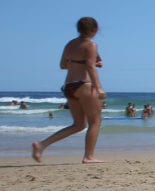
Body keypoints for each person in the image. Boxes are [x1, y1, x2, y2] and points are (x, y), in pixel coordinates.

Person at [32, 17, 107, 164]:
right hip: (84, 84)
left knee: (78, 125)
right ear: (95, 29)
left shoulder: (70, 44)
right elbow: (90, 67)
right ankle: (89, 156)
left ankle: (42, 145)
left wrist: (82, 63)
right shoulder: (91, 45)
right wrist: (99, 88)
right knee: (95, 122)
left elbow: (63, 65)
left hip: (69, 86)